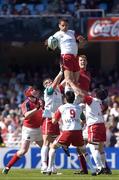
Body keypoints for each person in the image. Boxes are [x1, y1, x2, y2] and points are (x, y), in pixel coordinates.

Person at [45, 91, 96, 176]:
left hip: (67, 132)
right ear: (73, 99)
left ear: (65, 99)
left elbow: (54, 121)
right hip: (78, 132)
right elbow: (83, 120)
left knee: (53, 147)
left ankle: (49, 169)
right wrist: (79, 125)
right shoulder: (79, 108)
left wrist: (54, 117)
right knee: (83, 150)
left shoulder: (62, 108)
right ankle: (93, 170)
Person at [68, 80, 112, 175]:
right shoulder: (102, 103)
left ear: (96, 95)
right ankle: (105, 168)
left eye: (94, 92)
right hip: (101, 125)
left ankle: (99, 167)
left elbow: (80, 94)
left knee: (93, 146)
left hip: (94, 126)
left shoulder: (92, 100)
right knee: (100, 149)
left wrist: (71, 83)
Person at [2, 86, 43, 174]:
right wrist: (37, 109)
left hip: (38, 128)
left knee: (45, 148)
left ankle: (48, 168)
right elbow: (26, 115)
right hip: (28, 129)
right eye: (32, 90)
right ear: (28, 93)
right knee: (23, 151)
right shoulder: (26, 103)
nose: (34, 91)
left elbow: (42, 113)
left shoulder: (40, 101)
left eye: (34, 90)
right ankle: (7, 167)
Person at [47, 18, 87, 84]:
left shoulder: (72, 32)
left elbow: (80, 41)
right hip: (66, 56)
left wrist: (81, 40)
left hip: (75, 56)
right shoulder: (57, 35)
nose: (65, 27)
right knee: (69, 78)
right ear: (59, 25)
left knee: (76, 80)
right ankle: (67, 90)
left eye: (66, 25)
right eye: (63, 25)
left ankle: (75, 93)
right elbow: (50, 47)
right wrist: (50, 46)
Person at [41, 70, 64, 173]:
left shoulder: (58, 89)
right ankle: (44, 165)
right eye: (46, 83)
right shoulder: (48, 91)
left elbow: (64, 81)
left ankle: (52, 166)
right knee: (46, 143)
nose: (48, 83)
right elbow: (56, 82)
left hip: (56, 119)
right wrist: (60, 72)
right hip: (48, 118)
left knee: (53, 144)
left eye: (49, 82)